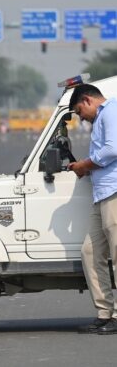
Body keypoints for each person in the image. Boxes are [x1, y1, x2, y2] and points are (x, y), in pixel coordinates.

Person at [67, 84, 117, 335]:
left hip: (114, 193)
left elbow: (113, 148)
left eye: (79, 111)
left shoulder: (111, 110)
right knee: (90, 252)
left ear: (87, 100)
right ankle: (104, 312)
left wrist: (85, 164)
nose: (81, 118)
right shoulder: (102, 118)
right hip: (102, 194)